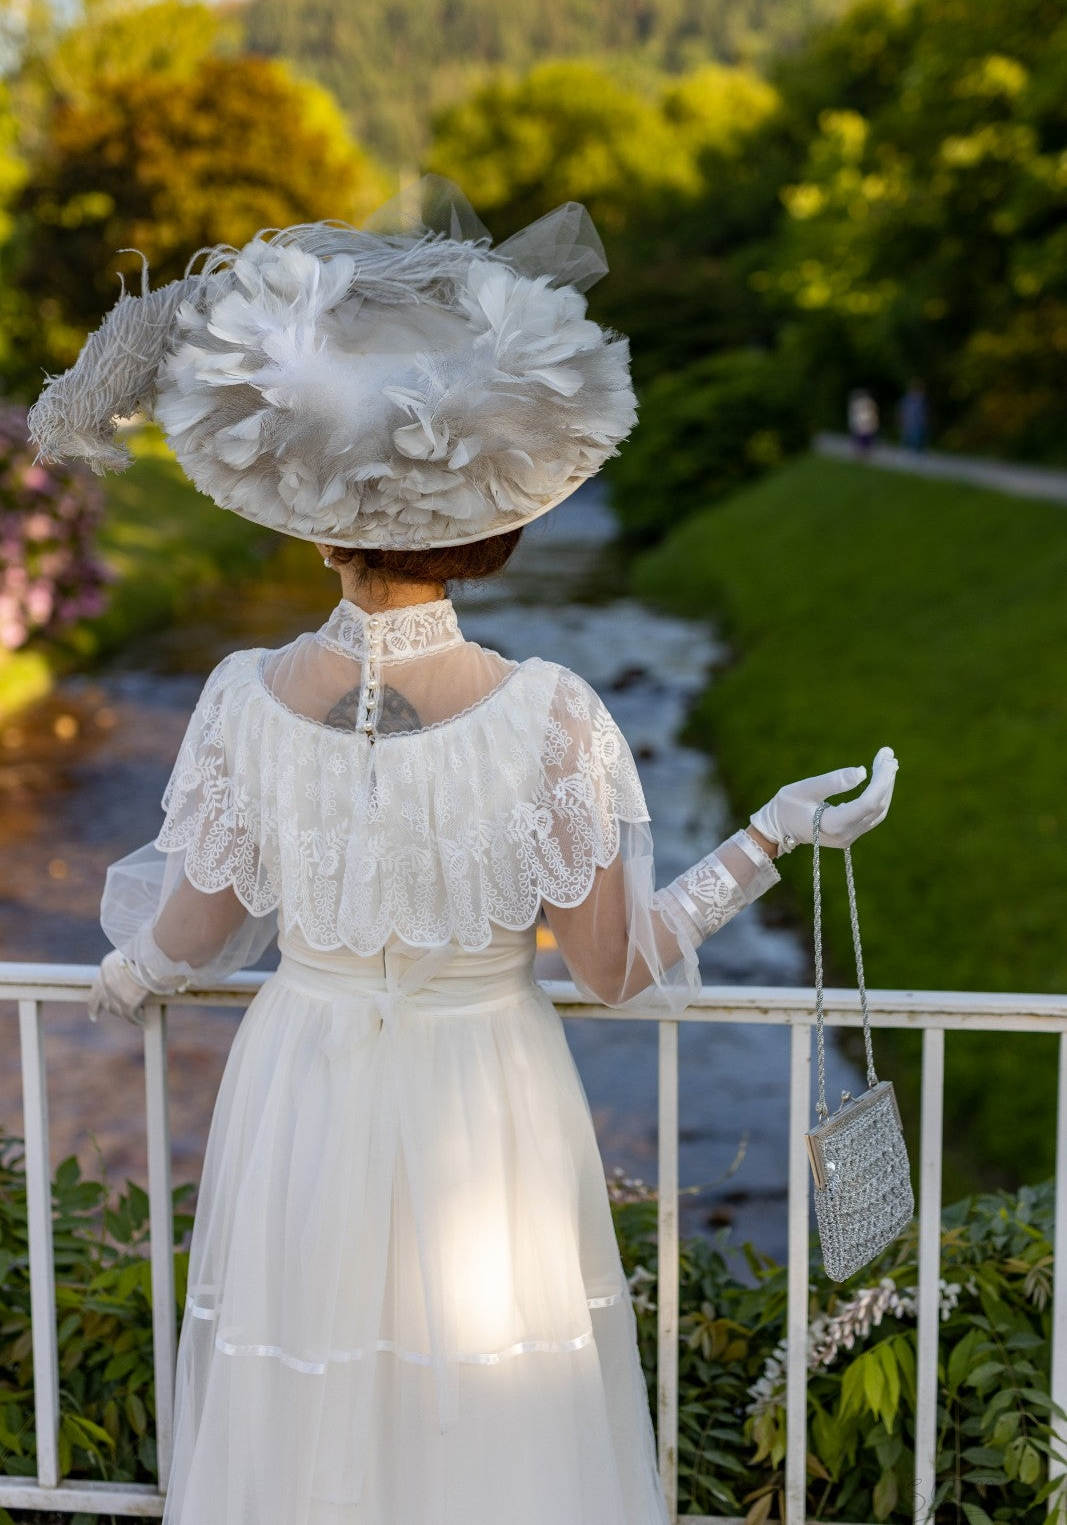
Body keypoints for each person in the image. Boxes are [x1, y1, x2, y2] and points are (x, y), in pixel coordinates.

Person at [30, 179, 898, 1525]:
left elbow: (196, 926)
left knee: (300, 1395)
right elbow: (612, 970)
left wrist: (131, 979)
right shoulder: (552, 714)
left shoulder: (239, 697)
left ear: (318, 517)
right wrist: (768, 836)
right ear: (491, 519)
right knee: (492, 1408)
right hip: (483, 1095)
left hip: (301, 1087)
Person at [847, 387, 880, 456]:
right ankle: (861, 453)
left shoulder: (868, 403)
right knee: (861, 440)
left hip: (866, 424)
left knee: (865, 440)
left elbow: (873, 414)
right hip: (861, 424)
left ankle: (864, 453)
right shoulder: (859, 403)